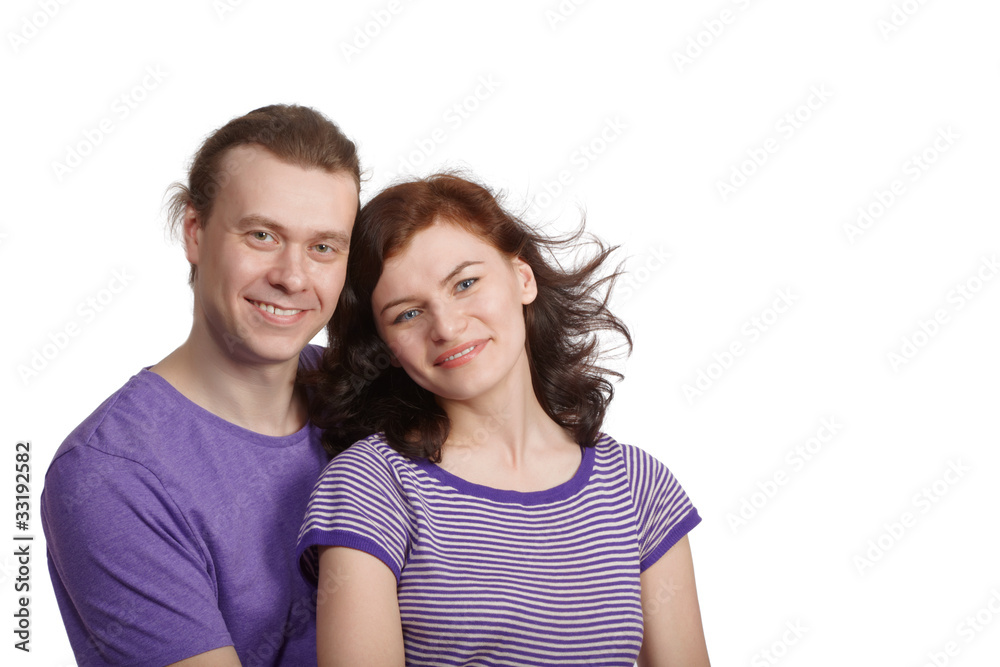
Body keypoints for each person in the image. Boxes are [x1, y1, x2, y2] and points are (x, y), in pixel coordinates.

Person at [297, 173, 711, 666]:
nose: (447, 327)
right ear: (386, 349)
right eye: (408, 314)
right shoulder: (370, 487)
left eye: (466, 283)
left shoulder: (641, 488)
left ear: (523, 278)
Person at [41, 104, 361, 666]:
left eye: (323, 247)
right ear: (195, 232)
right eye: (262, 235)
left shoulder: (364, 391)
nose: (292, 276)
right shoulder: (111, 475)